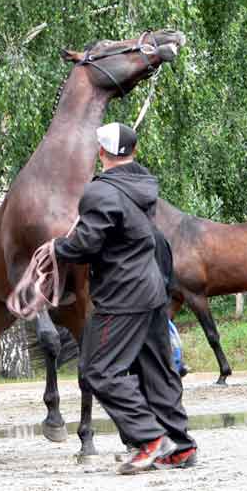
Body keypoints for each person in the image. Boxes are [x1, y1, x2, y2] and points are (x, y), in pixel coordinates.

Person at [54, 122, 196, 474]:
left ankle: (148, 438)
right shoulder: (142, 186)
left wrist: (57, 247)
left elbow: (85, 245)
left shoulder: (100, 193)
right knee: (158, 370)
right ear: (132, 152)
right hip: (151, 291)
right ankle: (180, 446)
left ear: (101, 153)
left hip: (123, 296)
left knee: (98, 369)